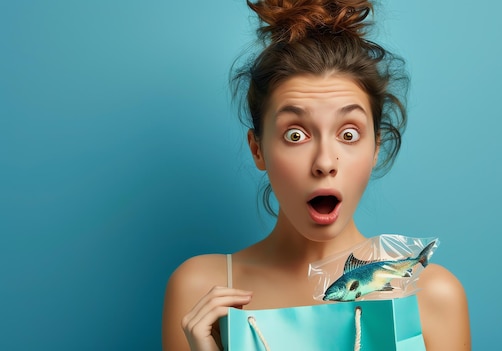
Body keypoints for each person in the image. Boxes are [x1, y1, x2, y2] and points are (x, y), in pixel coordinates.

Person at [162, 0, 471, 350]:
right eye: (296, 135)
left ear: (376, 148)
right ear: (257, 149)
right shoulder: (200, 289)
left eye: (349, 134)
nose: (325, 161)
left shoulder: (434, 295)